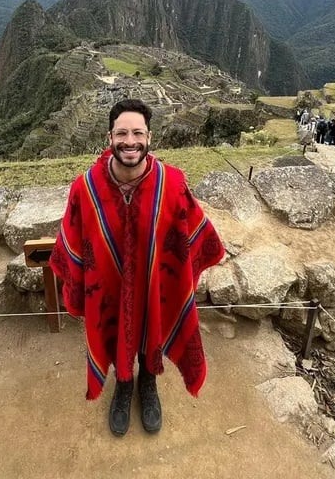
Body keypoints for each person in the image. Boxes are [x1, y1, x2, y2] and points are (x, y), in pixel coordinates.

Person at [49, 98, 225, 437]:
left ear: (150, 137)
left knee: (152, 324)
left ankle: (148, 382)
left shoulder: (172, 184)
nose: (130, 141)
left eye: (138, 133)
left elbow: (194, 236)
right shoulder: (85, 189)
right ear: (109, 137)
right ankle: (123, 384)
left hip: (156, 283)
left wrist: (181, 274)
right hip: (109, 284)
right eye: (122, 133)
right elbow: (71, 240)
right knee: (115, 325)